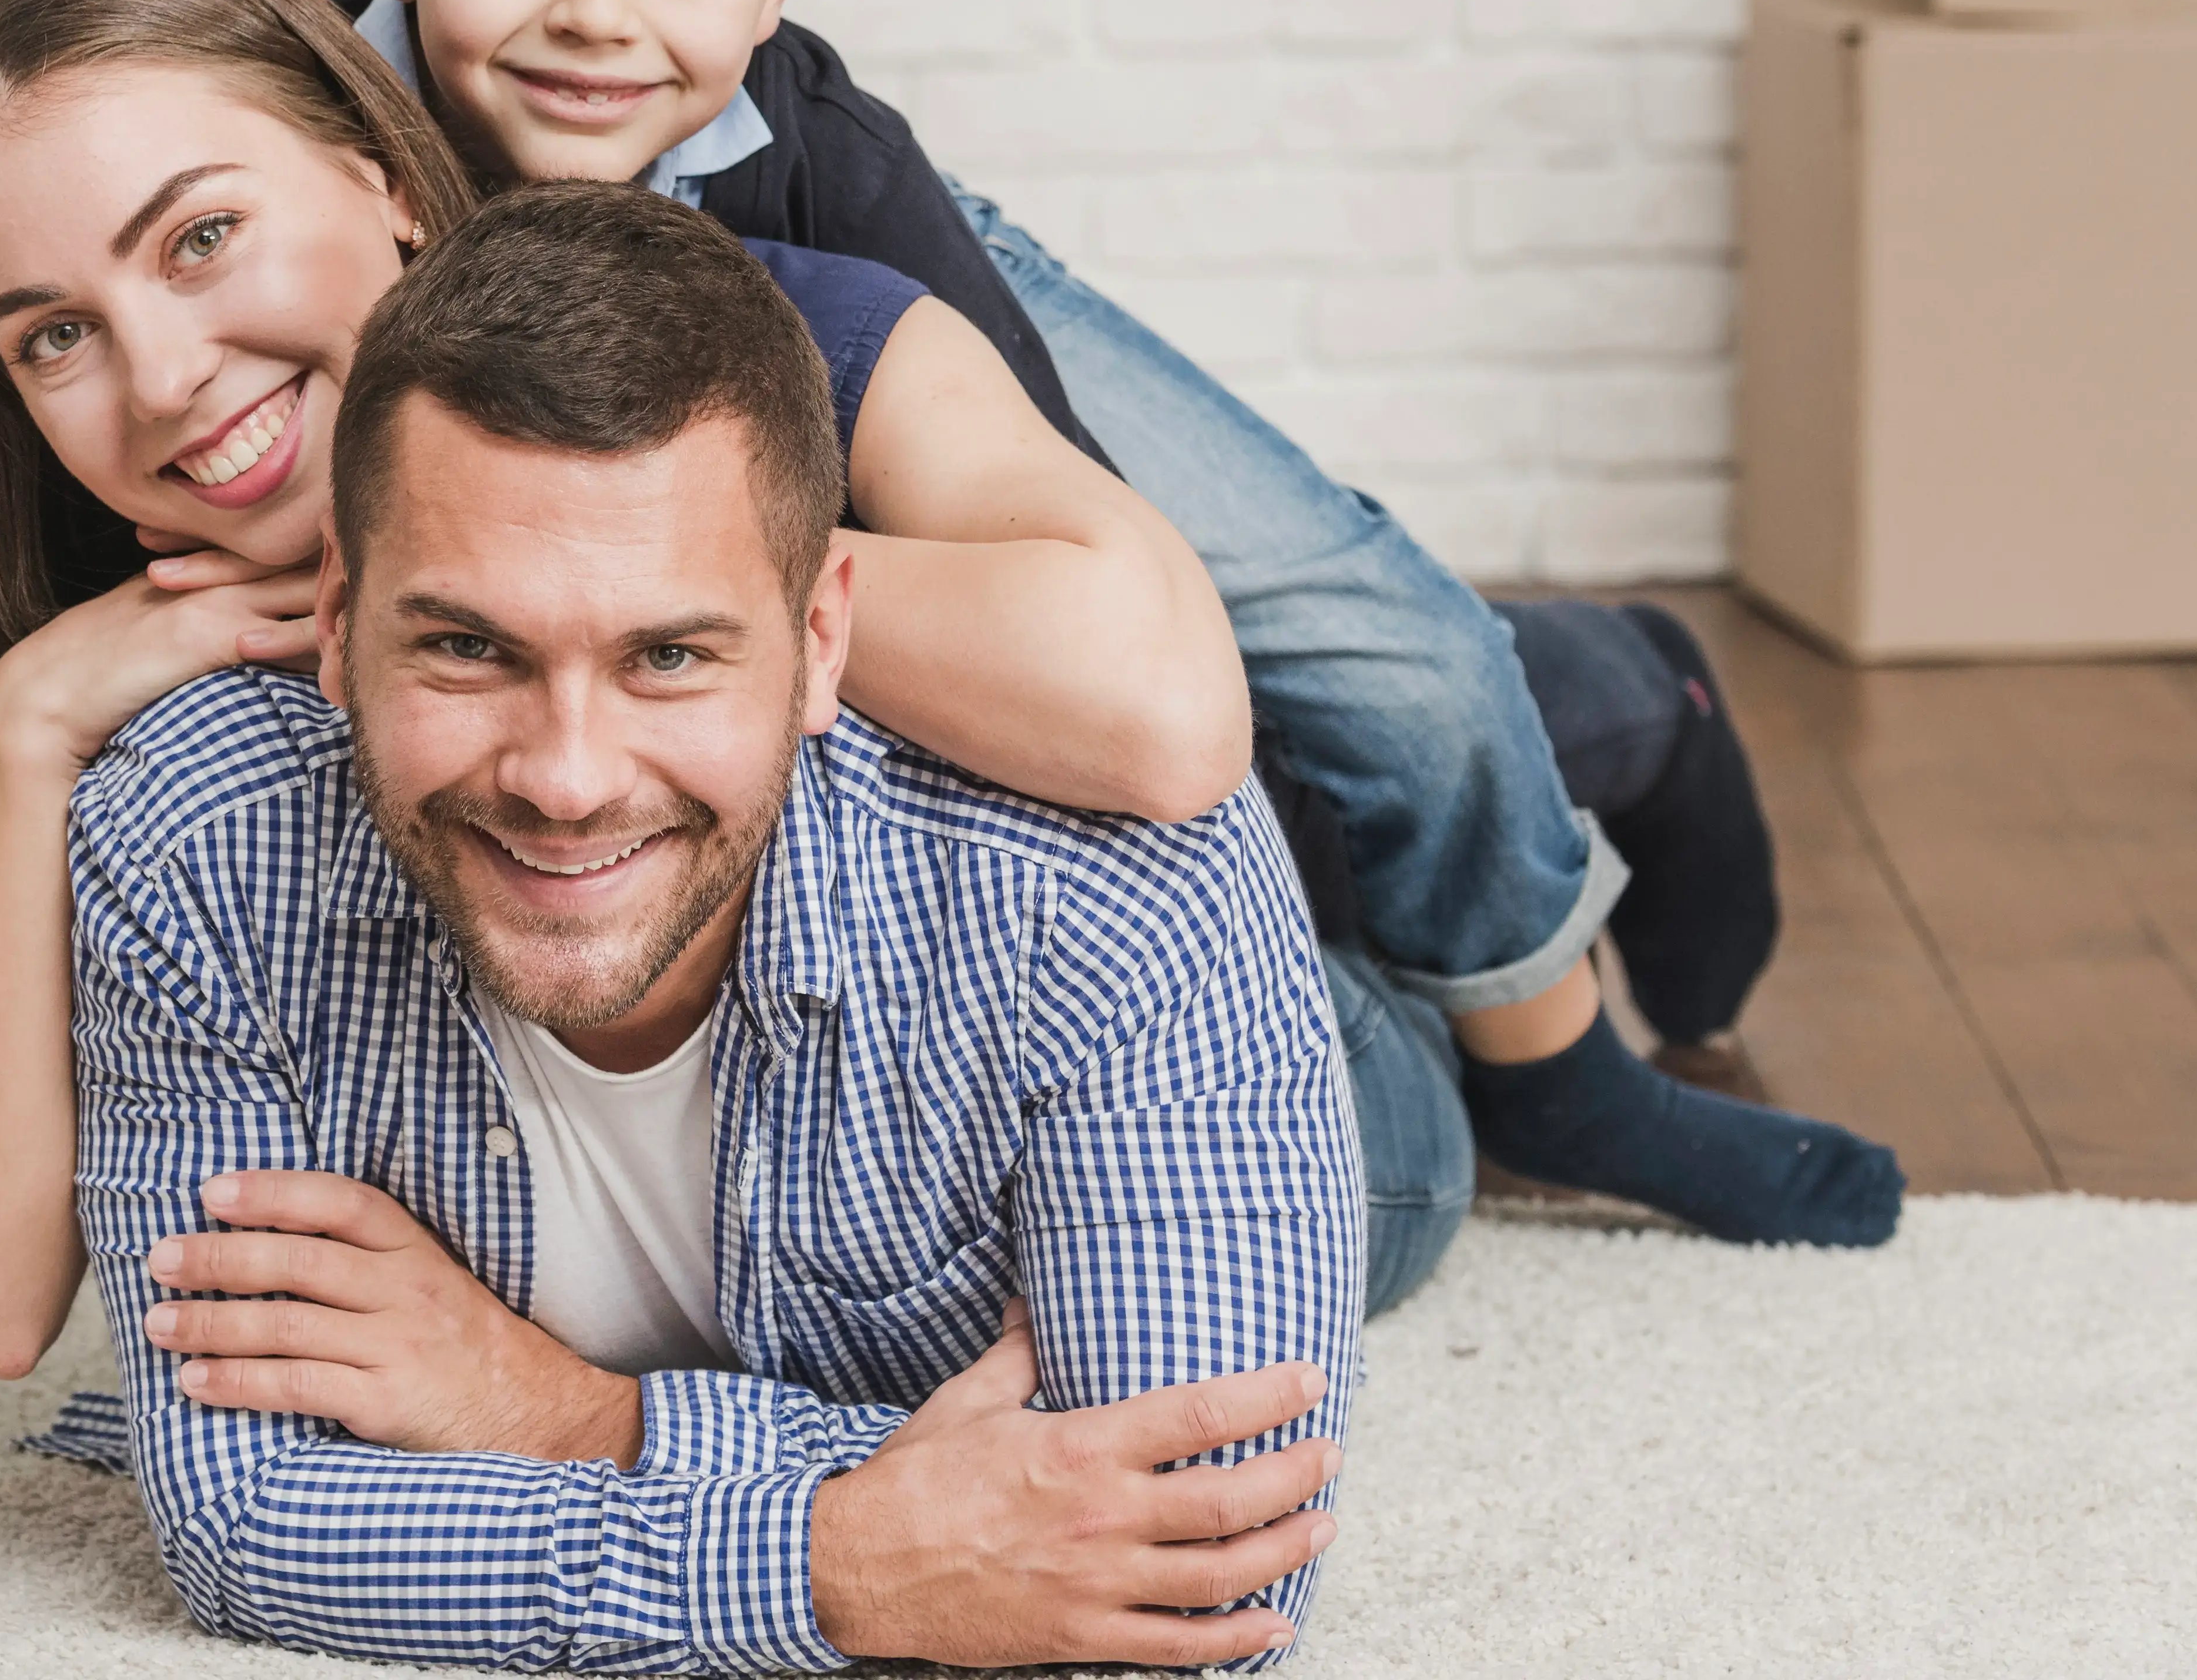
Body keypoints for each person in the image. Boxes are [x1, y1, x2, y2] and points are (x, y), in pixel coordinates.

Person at [329, 0, 1885, 1238]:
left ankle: (1572, 981)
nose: (596, 18)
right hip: (759, 631)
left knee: (1395, 679)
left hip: (935, 401)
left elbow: (1106, 624)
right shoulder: (292, 172)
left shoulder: (835, 182)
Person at [0, 0, 1486, 1386]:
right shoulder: (115, 636)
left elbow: (1169, 719)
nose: (158, 377)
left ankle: (1603, 730)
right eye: (53, 336)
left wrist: (631, 574)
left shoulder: (761, 334)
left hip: (1206, 1039)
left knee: (1416, 923)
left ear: (386, 182)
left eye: (202, 239)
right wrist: (21, 734)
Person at [76, 179, 1358, 1671]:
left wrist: (559, 1412)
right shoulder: (192, 840)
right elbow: (241, 1525)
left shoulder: (1118, 886)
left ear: (821, 642)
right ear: (340, 625)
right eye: (467, 646)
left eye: (668, 654)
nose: (563, 776)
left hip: (1342, 1093)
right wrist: (848, 1562)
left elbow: (1191, 1582)